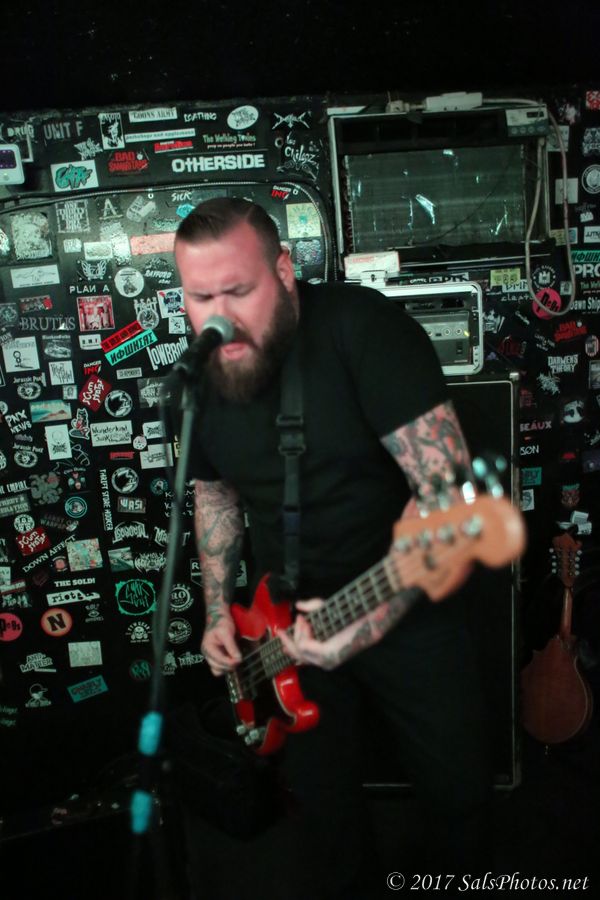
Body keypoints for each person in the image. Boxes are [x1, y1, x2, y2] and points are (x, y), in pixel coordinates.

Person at [174, 198, 492, 899]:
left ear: (285, 270)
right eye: (200, 297)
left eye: (238, 291)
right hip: (284, 625)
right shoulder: (199, 378)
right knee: (324, 814)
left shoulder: (362, 328)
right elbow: (216, 495)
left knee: (459, 795)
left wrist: (368, 622)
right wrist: (219, 612)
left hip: (407, 600)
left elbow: (448, 493)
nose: (220, 316)